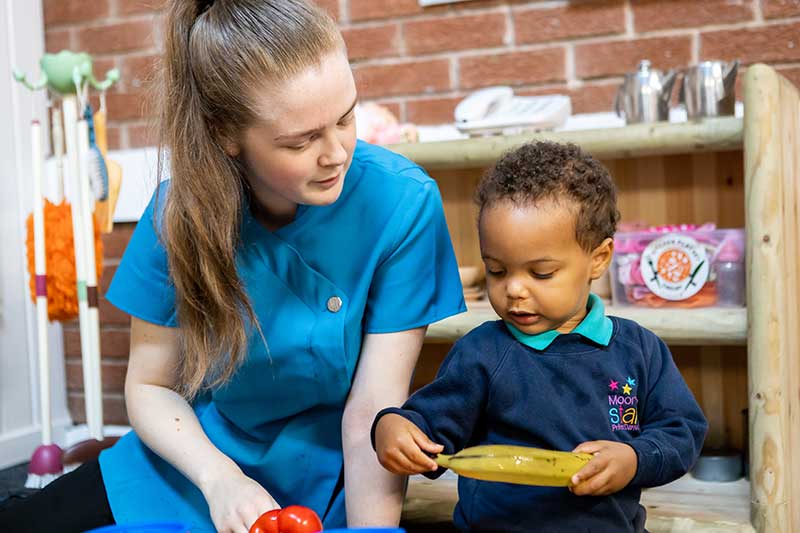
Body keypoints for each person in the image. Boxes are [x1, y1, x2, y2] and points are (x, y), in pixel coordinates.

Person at [0, 1, 465, 532]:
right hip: (199, 453)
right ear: (226, 136)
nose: (337, 153)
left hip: (333, 463)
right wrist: (219, 478)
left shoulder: (403, 203)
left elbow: (373, 410)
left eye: (346, 117)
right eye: (301, 140)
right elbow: (152, 387)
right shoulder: (178, 214)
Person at [372, 141, 708, 532]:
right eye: (497, 271)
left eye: (541, 273)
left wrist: (635, 459)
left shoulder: (639, 350)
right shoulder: (483, 352)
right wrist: (393, 427)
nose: (514, 289)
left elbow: (682, 432)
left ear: (598, 259)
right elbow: (430, 425)